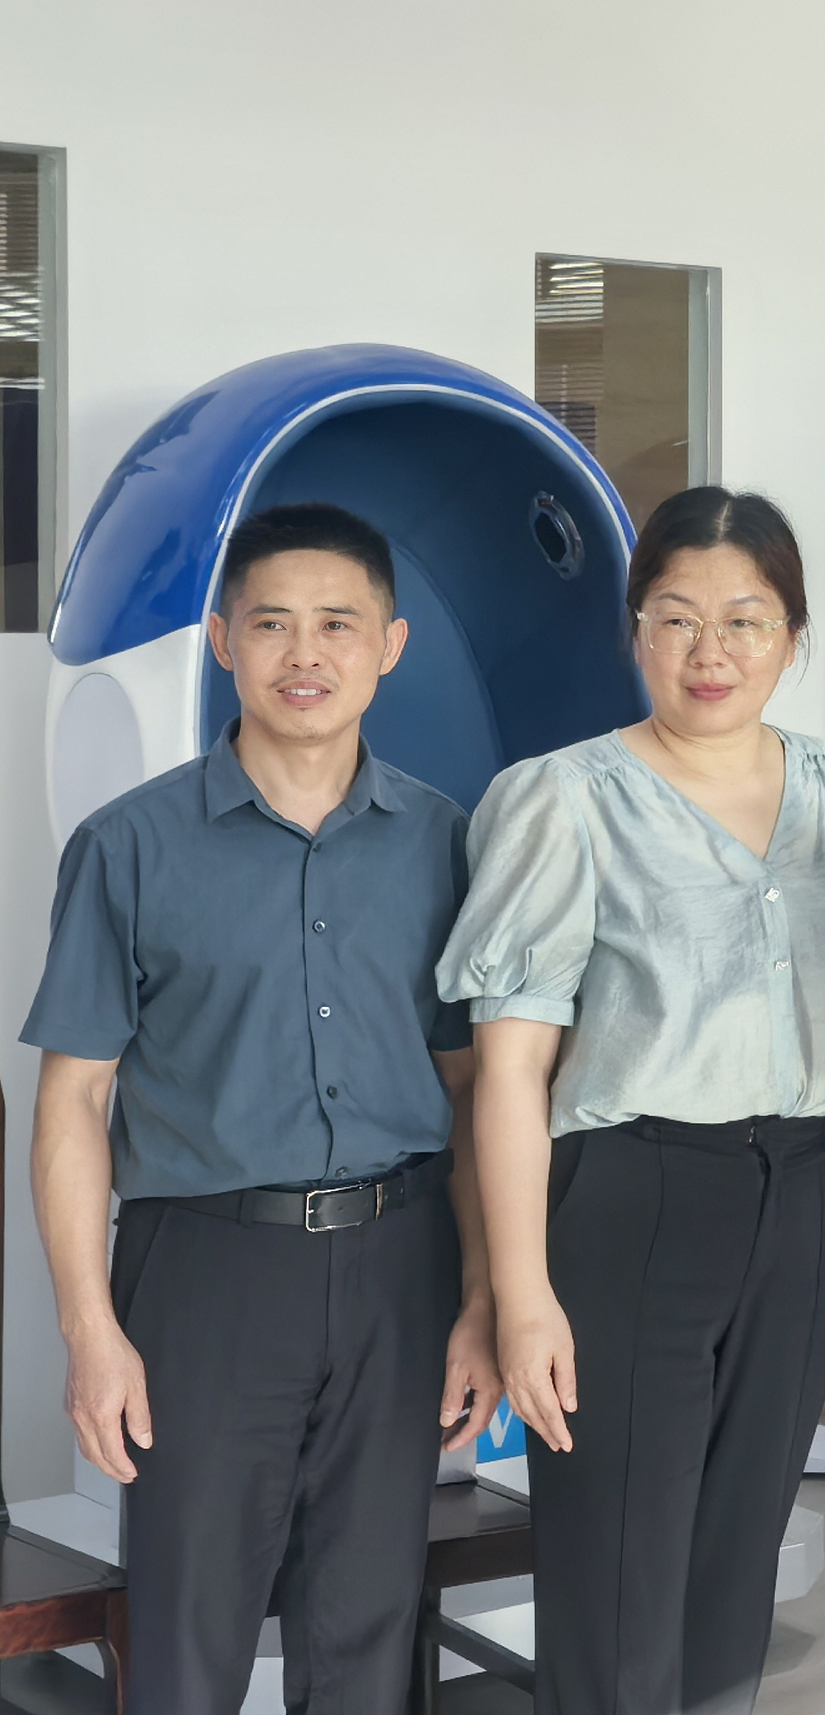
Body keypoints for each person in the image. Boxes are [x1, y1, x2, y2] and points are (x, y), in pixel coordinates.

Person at [22, 502, 500, 1710]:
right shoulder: (129, 846)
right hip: (205, 1274)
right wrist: (89, 1328)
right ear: (223, 640)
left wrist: (482, 1295)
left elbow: (471, 1089)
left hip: (401, 1264)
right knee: (189, 1627)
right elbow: (74, 1098)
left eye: (338, 623)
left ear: (388, 645)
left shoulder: (443, 841)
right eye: (273, 622)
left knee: (369, 1626)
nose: (306, 653)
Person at [440, 488, 825, 1714]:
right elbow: (508, 1071)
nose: (709, 650)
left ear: (793, 634)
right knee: (618, 1576)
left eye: (746, 619)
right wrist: (521, 1292)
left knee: (737, 1574)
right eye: (676, 617)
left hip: (806, 1189)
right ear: (634, 628)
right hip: (632, 1200)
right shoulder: (563, 797)